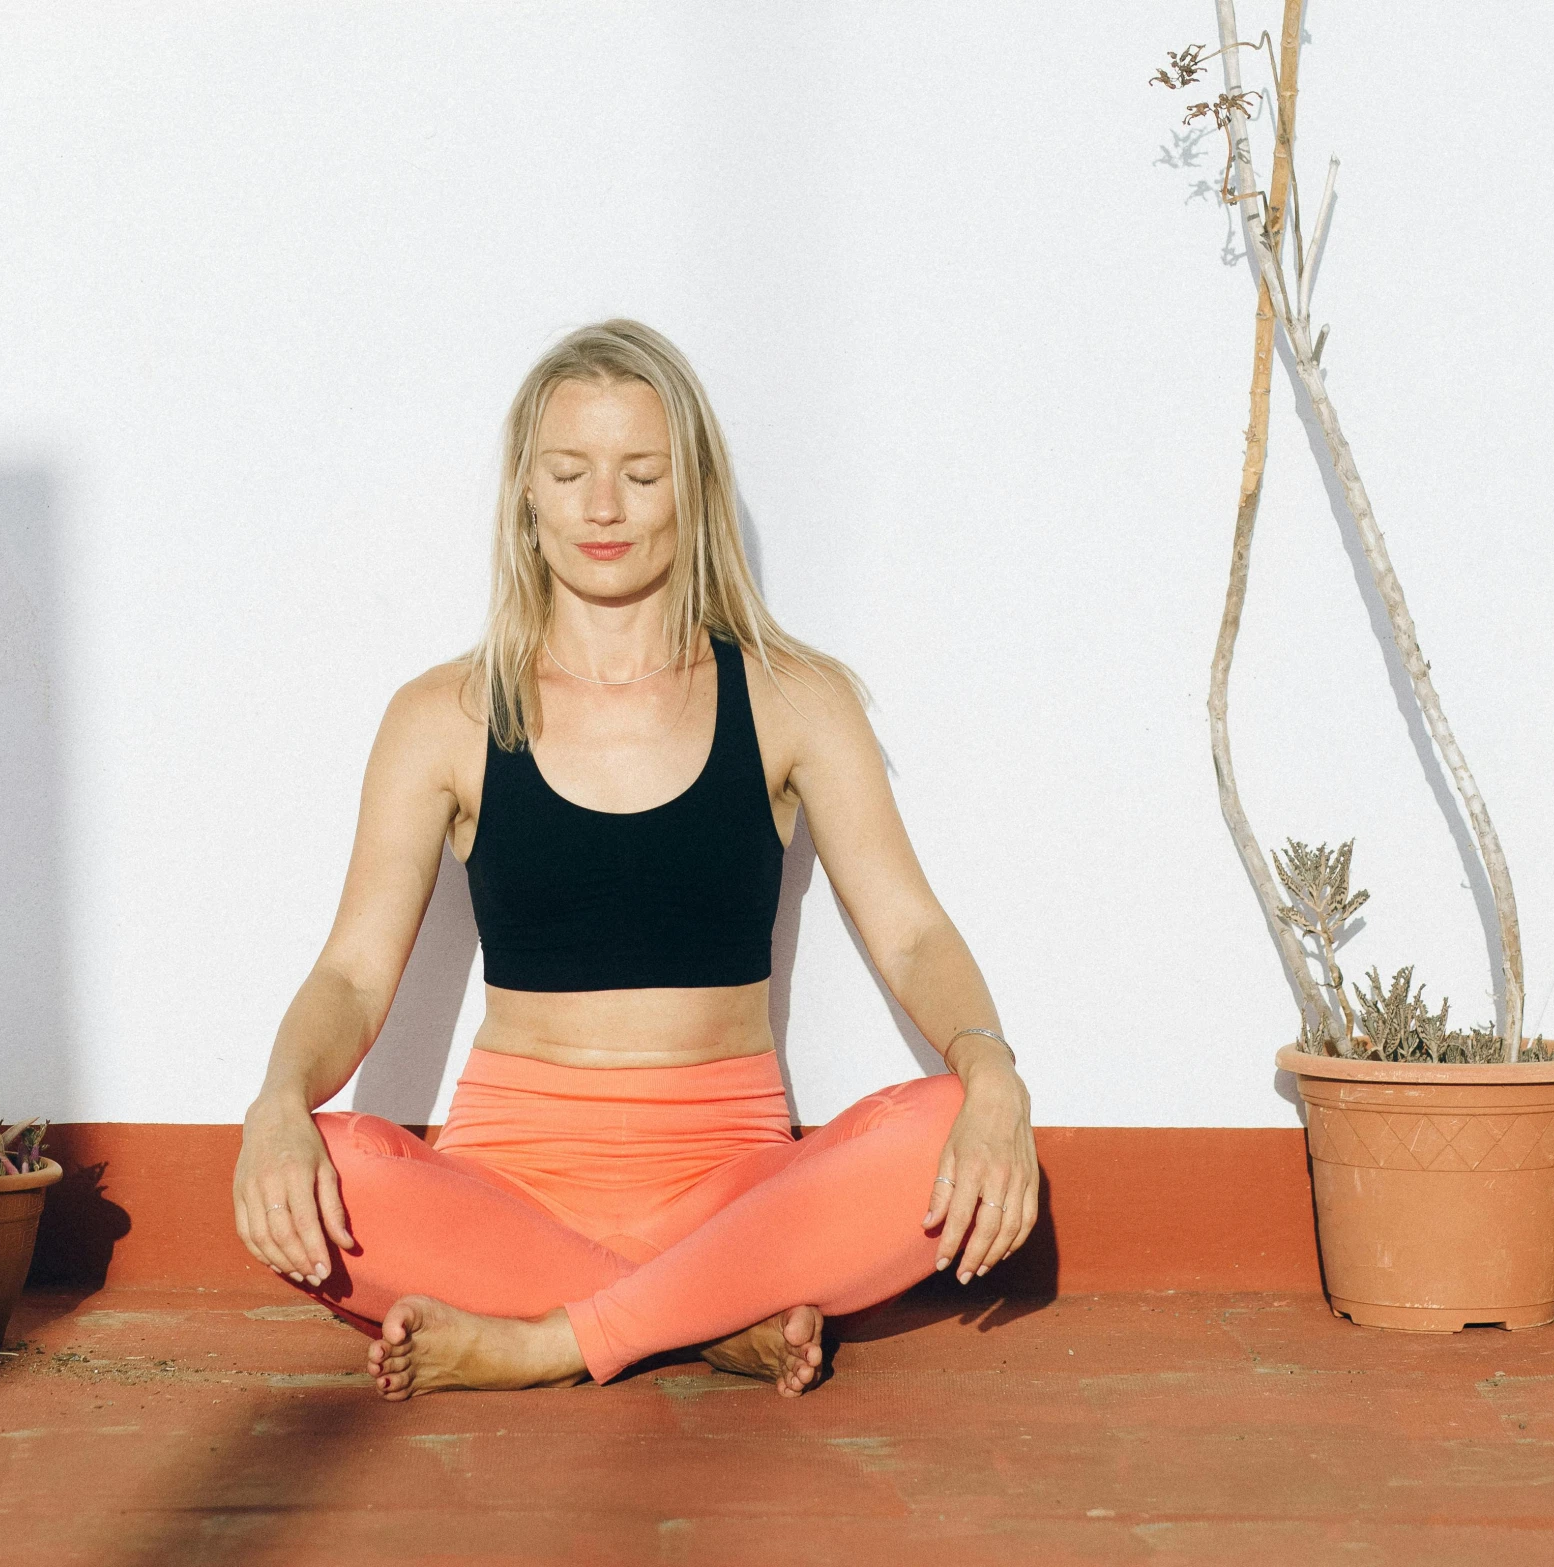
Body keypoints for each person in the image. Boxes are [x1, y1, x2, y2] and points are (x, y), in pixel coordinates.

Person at [232, 319, 1038, 1400]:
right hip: (504, 1189)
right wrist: (276, 1103)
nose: (601, 507)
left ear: (689, 487)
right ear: (526, 490)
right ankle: (708, 1320)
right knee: (319, 1167)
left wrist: (992, 1076)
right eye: (569, 473)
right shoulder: (442, 715)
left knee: (941, 1122)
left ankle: (548, 1338)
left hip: (736, 1183)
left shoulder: (795, 697)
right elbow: (349, 973)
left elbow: (910, 930)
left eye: (639, 474)